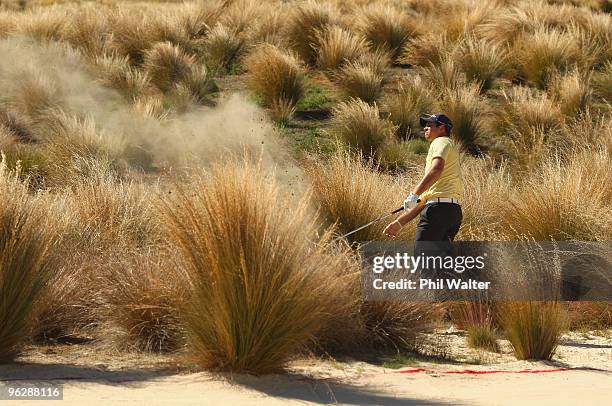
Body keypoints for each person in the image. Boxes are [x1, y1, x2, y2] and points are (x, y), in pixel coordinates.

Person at [383, 113, 463, 253]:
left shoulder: (441, 141)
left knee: (424, 262)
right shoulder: (447, 148)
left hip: (436, 211)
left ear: (442, 128)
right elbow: (426, 199)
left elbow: (436, 169)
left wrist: (414, 194)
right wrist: (399, 223)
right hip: (453, 213)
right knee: (440, 267)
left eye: (429, 125)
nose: (425, 128)